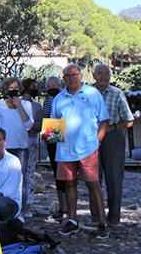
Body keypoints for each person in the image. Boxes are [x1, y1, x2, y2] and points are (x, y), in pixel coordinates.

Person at [52, 64, 110, 239]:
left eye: (74, 75)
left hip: (88, 149)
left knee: (93, 184)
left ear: (80, 75)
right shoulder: (59, 98)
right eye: (67, 76)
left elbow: (104, 119)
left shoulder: (93, 94)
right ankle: (73, 220)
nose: (71, 78)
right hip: (65, 150)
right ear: (64, 78)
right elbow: (54, 125)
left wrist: (97, 139)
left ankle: (101, 223)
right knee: (69, 184)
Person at [93, 64, 133, 227]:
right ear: (94, 76)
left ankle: (114, 216)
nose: (103, 77)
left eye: (106, 74)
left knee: (114, 178)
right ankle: (96, 216)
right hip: (92, 138)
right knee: (93, 179)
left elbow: (129, 121)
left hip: (112, 137)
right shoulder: (88, 94)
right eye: (100, 74)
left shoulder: (117, 93)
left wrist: (113, 127)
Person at [0, 77, 33, 214]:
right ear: (5, 90)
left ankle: (21, 211)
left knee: (21, 179)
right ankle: (2, 209)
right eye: (10, 88)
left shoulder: (26, 104)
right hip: (4, 148)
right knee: (1, 177)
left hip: (21, 146)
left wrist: (19, 105)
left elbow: (29, 124)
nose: (14, 91)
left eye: (16, 88)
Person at [43, 76, 68, 221]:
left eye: (54, 85)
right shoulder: (47, 101)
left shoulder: (65, 98)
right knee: (57, 174)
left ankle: (69, 207)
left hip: (65, 142)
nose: (51, 87)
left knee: (67, 175)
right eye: (49, 86)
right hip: (52, 141)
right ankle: (61, 206)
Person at [21, 78, 44, 217]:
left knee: (29, 174)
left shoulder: (37, 107)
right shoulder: (16, 104)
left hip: (32, 142)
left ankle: (28, 205)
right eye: (33, 87)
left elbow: (40, 126)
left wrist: (30, 127)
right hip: (18, 142)